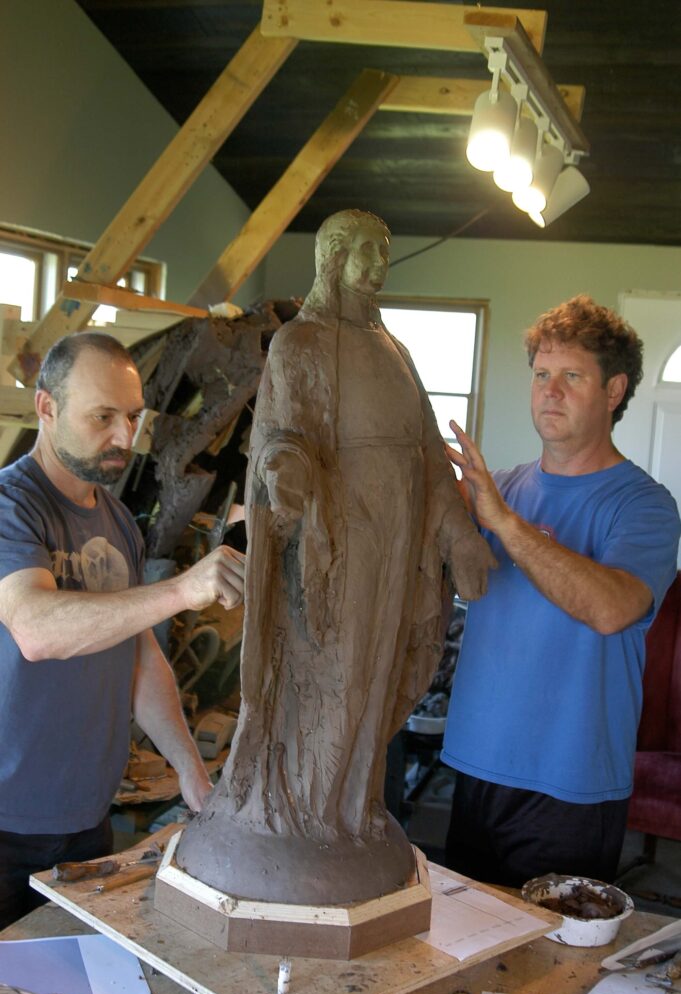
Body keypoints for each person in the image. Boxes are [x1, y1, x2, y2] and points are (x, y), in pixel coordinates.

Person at [175, 209, 496, 907]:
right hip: (335, 543)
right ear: (332, 259)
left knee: (378, 675)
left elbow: (427, 461)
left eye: (385, 251)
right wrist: (286, 474)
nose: (378, 265)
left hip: (395, 538)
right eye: (364, 253)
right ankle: (302, 812)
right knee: (331, 672)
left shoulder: (395, 350)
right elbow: (282, 435)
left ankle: (351, 811)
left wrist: (458, 534)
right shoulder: (300, 342)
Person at [0, 331, 245, 928]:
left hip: (87, 819)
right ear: (46, 408)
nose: (123, 437)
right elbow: (36, 630)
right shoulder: (12, 506)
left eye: (132, 416)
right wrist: (184, 589)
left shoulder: (117, 522)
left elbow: (141, 662)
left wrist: (191, 769)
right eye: (102, 416)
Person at [441, 294, 681, 888]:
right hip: (473, 765)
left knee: (550, 968)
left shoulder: (644, 505)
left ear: (615, 389)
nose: (550, 391)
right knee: (459, 957)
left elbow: (611, 608)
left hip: (569, 786)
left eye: (572, 376)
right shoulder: (497, 490)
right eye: (542, 375)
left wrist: (502, 522)